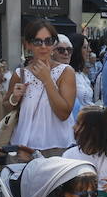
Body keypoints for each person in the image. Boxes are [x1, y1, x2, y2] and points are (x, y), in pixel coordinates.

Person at [8, 19, 77, 155]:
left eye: (48, 41)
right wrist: (15, 98)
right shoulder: (20, 73)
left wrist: (47, 79)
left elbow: (64, 114)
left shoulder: (66, 72)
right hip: (24, 148)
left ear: (54, 44)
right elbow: (6, 107)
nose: (43, 46)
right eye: (37, 41)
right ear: (28, 45)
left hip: (57, 148)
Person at [57, 34, 94, 110]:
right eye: (85, 47)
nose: (89, 50)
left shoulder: (81, 74)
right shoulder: (62, 74)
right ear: (77, 50)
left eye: (69, 50)